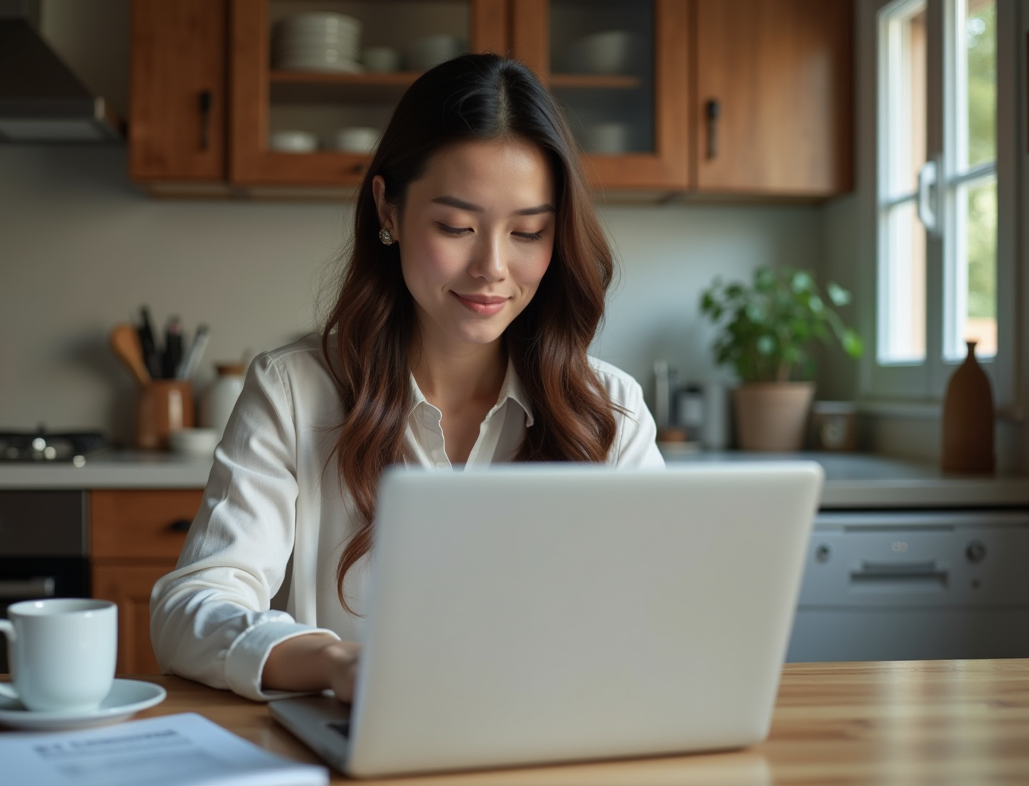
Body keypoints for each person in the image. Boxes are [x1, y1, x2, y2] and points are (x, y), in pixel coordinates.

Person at [150, 53, 665, 704]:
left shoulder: (608, 409)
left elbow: (657, 616)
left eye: (529, 232)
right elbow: (190, 609)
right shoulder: (295, 389)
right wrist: (335, 663)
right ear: (388, 210)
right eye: (457, 227)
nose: (493, 268)